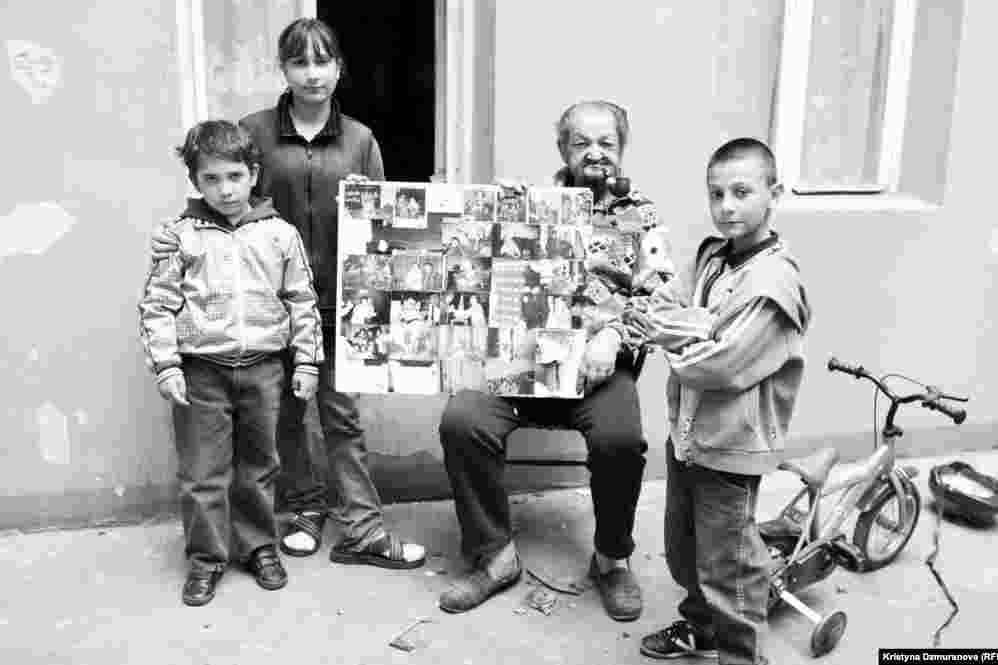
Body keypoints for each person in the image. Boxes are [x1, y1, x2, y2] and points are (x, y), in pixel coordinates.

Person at [150, 18, 424, 568]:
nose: (312, 74)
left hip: (342, 308)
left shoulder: (361, 140)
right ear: (284, 68)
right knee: (288, 420)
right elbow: (220, 192)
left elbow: (385, 225)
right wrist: (175, 229)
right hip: (272, 310)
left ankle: (363, 527)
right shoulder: (254, 131)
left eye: (322, 61)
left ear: (339, 68)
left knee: (342, 419)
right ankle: (304, 507)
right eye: (299, 62)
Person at [437, 100, 662, 621]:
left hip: (597, 367)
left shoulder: (641, 214)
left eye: (607, 143)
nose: (595, 154)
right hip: (520, 363)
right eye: (582, 143)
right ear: (563, 148)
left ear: (622, 149)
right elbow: (474, 271)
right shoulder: (526, 203)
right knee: (462, 420)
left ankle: (610, 558)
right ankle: (494, 556)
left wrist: (616, 339)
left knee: (621, 440)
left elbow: (660, 296)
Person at [631, 138, 811, 665]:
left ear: (773, 193)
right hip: (688, 435)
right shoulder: (712, 255)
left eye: (741, 192)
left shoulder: (775, 281)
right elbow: (668, 304)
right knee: (683, 549)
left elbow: (723, 365)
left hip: (732, 444)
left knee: (729, 566)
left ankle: (740, 654)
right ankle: (700, 627)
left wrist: (674, 335)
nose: (727, 206)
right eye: (716, 194)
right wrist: (694, 326)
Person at [139, 120, 323, 606]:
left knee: (260, 466)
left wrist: (306, 362)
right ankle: (205, 558)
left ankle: (259, 546)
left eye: (235, 176)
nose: (225, 189)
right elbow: (158, 305)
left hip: (265, 368)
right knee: (203, 472)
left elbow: (302, 299)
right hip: (202, 372)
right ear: (195, 182)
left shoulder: (280, 235)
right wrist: (167, 366)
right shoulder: (180, 238)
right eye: (212, 179)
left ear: (254, 174)